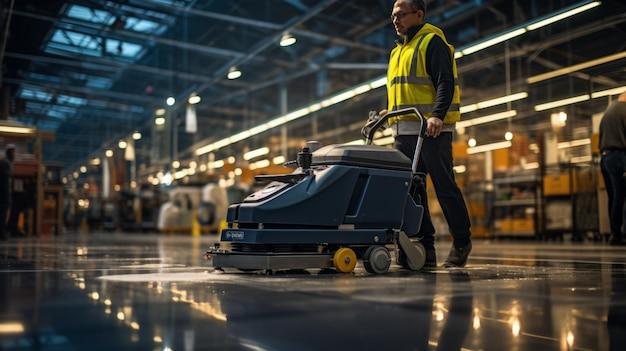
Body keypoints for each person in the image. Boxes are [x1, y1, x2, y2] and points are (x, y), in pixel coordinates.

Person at [381, 0, 472, 267]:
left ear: (419, 14)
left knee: (444, 187)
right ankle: (424, 247)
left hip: (431, 131)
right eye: (393, 16)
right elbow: (402, 92)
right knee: (410, 191)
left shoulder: (432, 42)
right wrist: (385, 114)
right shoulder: (397, 52)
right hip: (403, 132)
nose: (395, 20)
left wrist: (437, 115)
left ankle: (462, 241)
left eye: (401, 15)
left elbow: (445, 81)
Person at [599, 91, 626, 246]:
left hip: (605, 157)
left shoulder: (608, 111)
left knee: (614, 196)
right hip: (620, 156)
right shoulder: (624, 110)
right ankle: (620, 233)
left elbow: (600, 136)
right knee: (622, 196)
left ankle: (614, 233)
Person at [0, 145, 15, 240]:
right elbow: (6, 183)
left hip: (3, 194)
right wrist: (8, 198)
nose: (14, 154)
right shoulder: (6, 163)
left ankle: (2, 232)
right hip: (3, 195)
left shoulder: (5, 162)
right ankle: (2, 233)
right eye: (13, 152)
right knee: (2, 214)